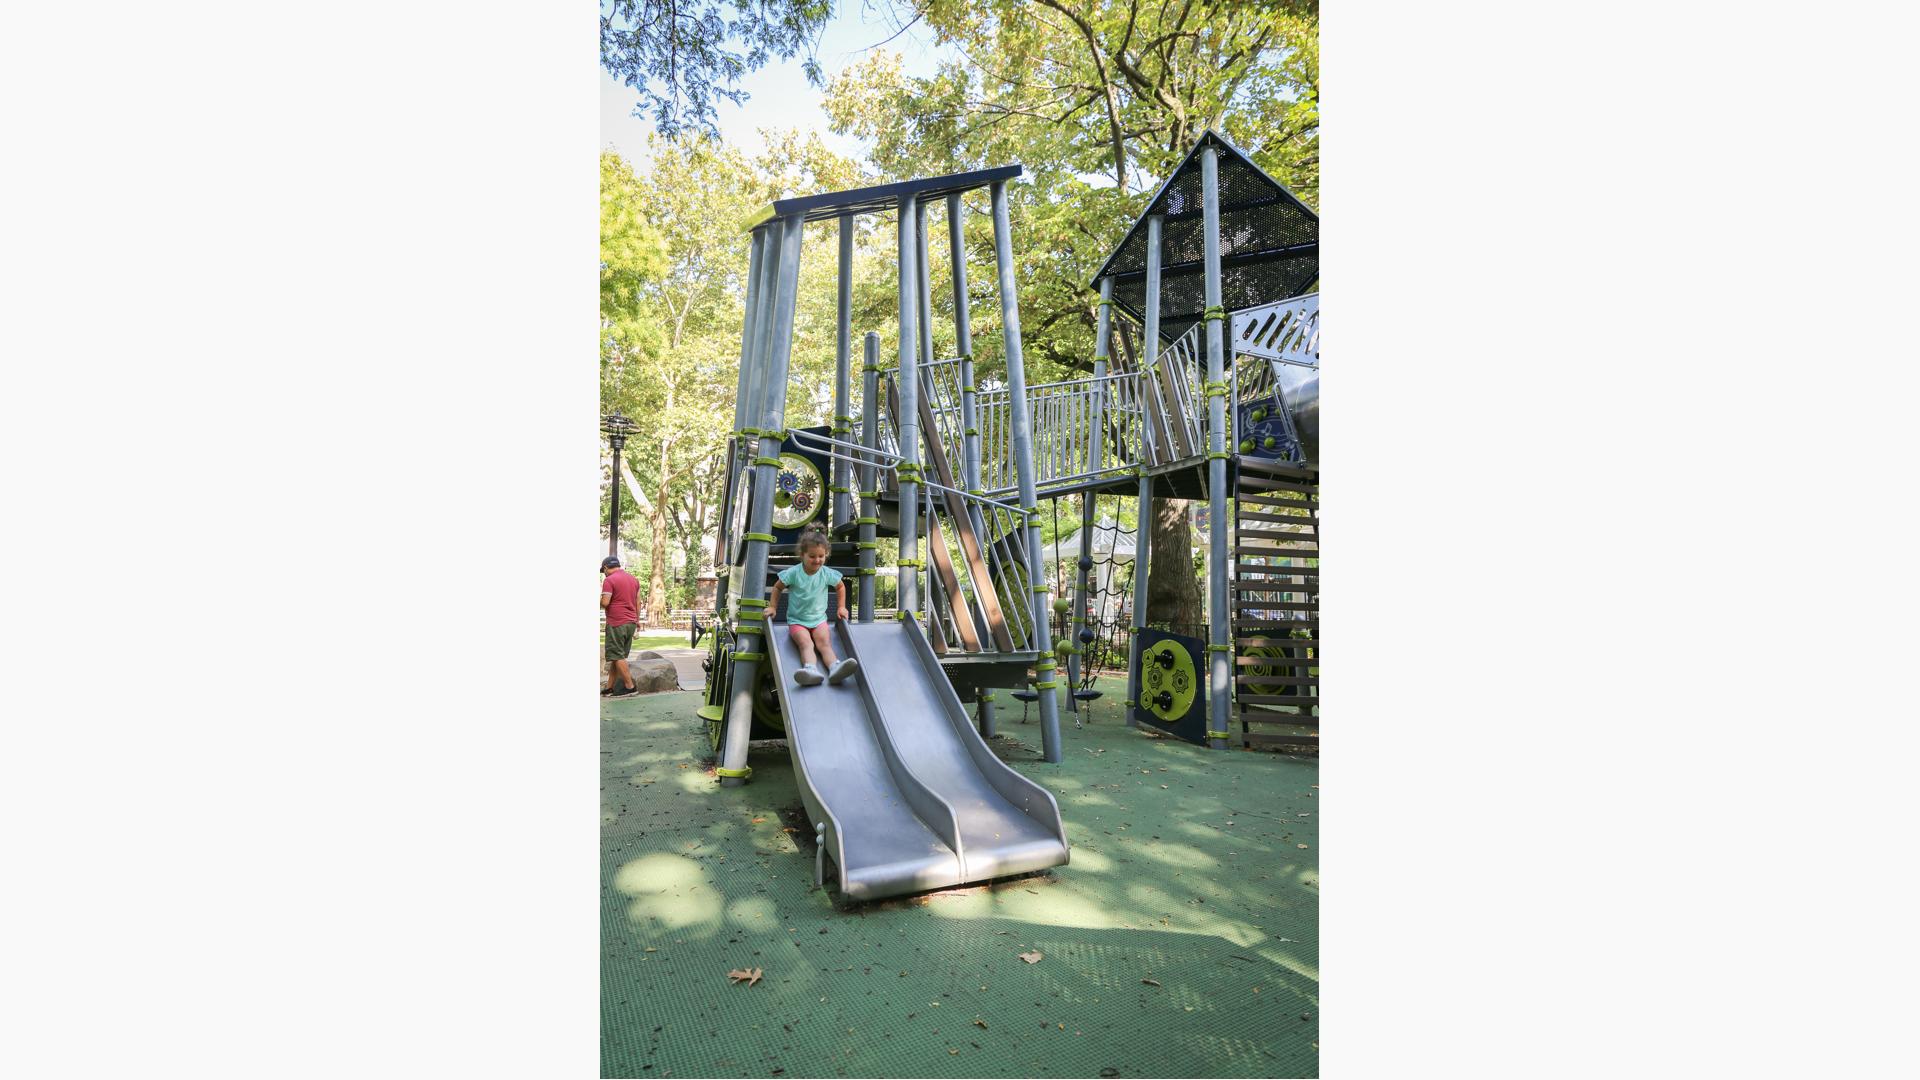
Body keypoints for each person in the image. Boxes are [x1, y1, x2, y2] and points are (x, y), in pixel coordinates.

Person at [769, 528, 857, 687]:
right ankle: (810, 670)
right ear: (802, 555)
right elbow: (777, 588)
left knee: (824, 643)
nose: (817, 560)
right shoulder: (794, 573)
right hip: (797, 621)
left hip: (818, 620)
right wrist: (773, 607)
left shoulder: (826, 573)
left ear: (826, 554)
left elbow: (840, 587)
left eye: (821, 556)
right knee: (806, 643)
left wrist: (841, 607)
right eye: (812, 556)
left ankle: (835, 668)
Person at [601, 555, 641, 695]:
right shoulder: (633, 580)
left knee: (617, 656)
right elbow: (638, 603)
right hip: (630, 623)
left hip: (617, 622)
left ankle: (630, 687)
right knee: (617, 656)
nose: (604, 573)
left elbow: (605, 602)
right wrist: (637, 620)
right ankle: (609, 688)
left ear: (606, 567)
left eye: (603, 570)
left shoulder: (609, 580)